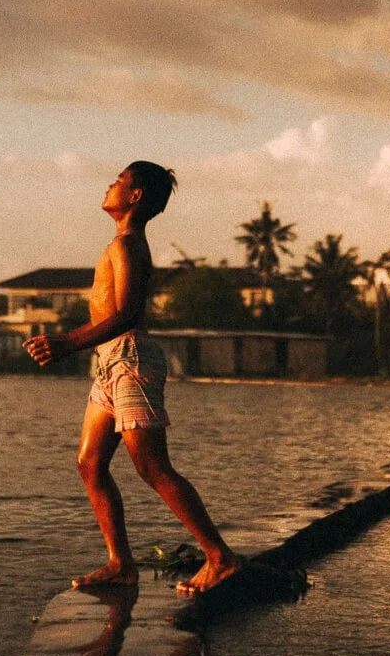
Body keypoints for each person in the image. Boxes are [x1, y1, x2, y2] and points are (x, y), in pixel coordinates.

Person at [24, 161, 242, 595]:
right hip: (110, 363)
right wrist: (74, 344)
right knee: (90, 463)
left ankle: (220, 558)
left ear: (135, 195)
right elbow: (110, 315)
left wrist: (66, 343)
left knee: (151, 466)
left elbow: (126, 314)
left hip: (130, 360)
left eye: (118, 181)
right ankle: (120, 563)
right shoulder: (120, 243)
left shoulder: (127, 245)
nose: (110, 186)